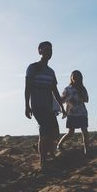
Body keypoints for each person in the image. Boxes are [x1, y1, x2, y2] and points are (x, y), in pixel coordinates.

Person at [25, 41, 66, 170]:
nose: (49, 51)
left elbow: (55, 91)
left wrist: (62, 107)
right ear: (39, 51)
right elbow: (28, 87)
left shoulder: (51, 72)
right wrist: (27, 105)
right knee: (45, 132)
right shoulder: (33, 67)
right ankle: (43, 161)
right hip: (37, 105)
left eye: (51, 50)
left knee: (54, 133)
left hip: (49, 107)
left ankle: (45, 153)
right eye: (46, 49)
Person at [57, 70, 90, 154]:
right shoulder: (67, 89)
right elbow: (61, 100)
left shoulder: (82, 88)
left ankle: (87, 150)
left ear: (80, 78)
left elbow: (86, 100)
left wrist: (80, 96)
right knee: (71, 132)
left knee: (84, 131)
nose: (75, 78)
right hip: (71, 113)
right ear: (71, 78)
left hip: (82, 113)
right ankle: (59, 144)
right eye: (74, 76)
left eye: (77, 76)